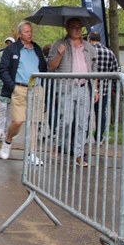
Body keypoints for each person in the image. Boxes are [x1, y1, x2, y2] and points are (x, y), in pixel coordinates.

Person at [47, 18, 98, 167]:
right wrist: (59, 54)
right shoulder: (59, 44)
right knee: (67, 120)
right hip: (67, 88)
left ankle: (79, 154)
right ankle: (59, 144)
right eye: (73, 27)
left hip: (84, 87)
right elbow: (50, 66)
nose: (77, 30)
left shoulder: (89, 47)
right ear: (67, 29)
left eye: (79, 27)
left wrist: (95, 89)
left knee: (83, 123)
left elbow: (94, 69)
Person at [0, 22, 47, 162]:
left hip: (36, 89)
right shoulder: (12, 49)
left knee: (34, 122)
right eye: (26, 31)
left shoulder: (37, 48)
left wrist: (42, 85)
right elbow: (3, 69)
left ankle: (32, 153)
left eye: (30, 31)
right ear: (19, 34)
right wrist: (12, 87)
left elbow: (43, 67)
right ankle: (8, 140)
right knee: (18, 121)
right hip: (19, 88)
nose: (29, 34)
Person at [88, 31, 119, 142]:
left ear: (89, 39)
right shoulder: (109, 53)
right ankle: (99, 137)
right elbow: (115, 71)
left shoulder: (87, 51)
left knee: (85, 114)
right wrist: (114, 88)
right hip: (104, 89)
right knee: (101, 113)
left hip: (87, 88)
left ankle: (84, 136)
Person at [0, 36, 15, 140]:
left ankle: (7, 131)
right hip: (2, 86)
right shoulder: (0, 55)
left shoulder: (16, 55)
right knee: (2, 107)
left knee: (10, 110)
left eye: (10, 43)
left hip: (12, 86)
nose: (8, 45)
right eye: (7, 43)